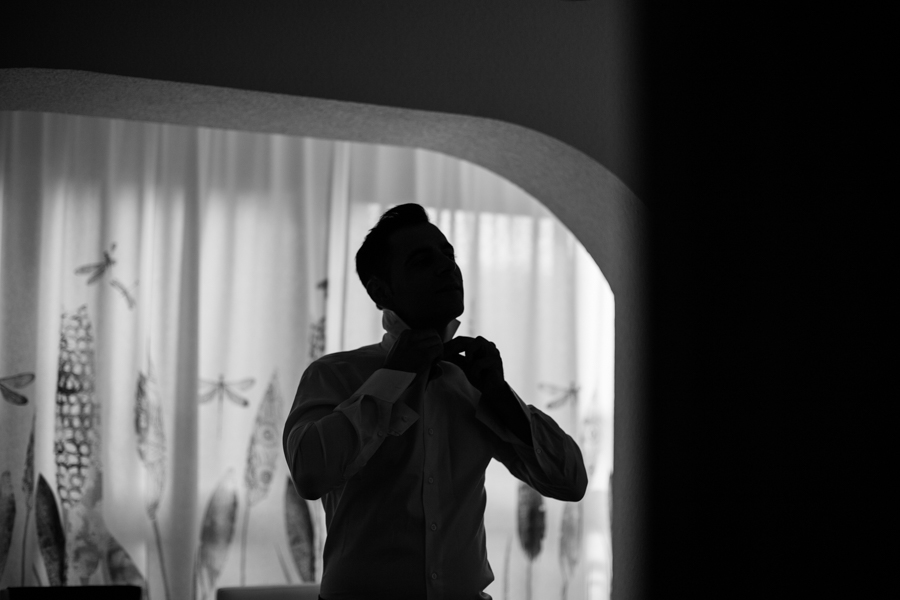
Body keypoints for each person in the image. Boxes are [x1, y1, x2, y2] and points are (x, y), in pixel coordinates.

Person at [283, 203, 588, 599]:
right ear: (380, 291)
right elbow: (309, 473)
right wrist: (393, 378)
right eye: (422, 261)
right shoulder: (333, 375)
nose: (447, 268)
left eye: (448, 255)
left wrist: (501, 397)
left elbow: (571, 482)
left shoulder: (475, 384)